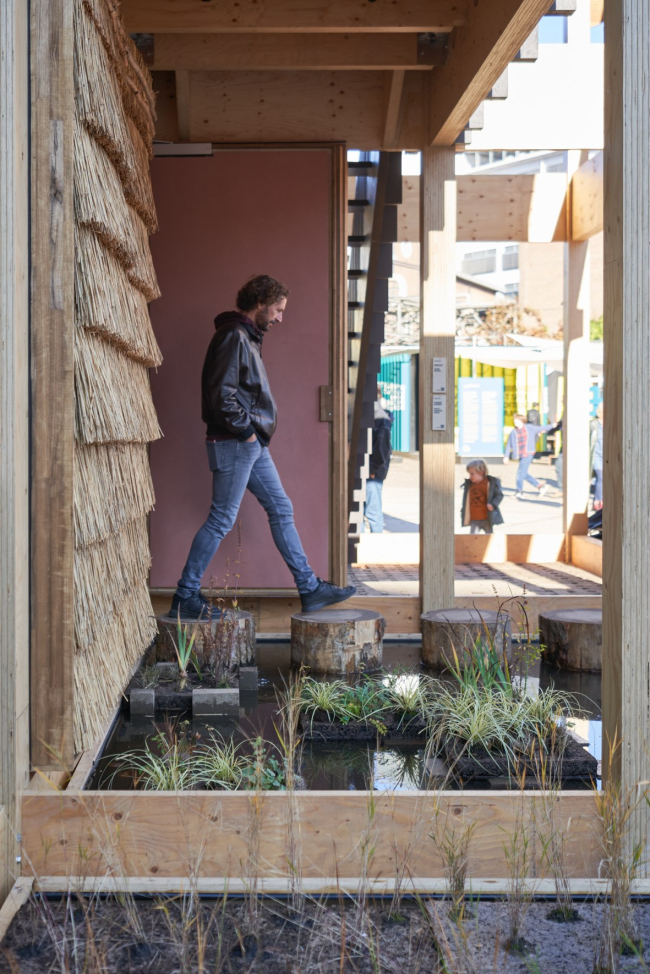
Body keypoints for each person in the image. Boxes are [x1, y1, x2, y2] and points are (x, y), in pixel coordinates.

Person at [170, 274, 356, 619]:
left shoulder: (246, 337)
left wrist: (252, 438)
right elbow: (221, 396)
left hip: (249, 444)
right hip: (237, 442)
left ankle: (309, 588)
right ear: (260, 302)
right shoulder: (233, 336)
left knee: (281, 509)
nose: (280, 318)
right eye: (278, 310)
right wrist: (247, 433)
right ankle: (185, 595)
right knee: (221, 519)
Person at [503, 414, 557, 499]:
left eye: (517, 421)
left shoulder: (529, 428)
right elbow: (509, 445)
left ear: (522, 421)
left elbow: (541, 428)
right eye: (514, 421)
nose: (515, 422)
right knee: (523, 473)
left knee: (520, 473)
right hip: (520, 454)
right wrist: (506, 456)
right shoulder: (513, 432)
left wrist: (552, 425)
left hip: (528, 453)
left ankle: (519, 492)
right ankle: (540, 486)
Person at [363, 386, 393, 533]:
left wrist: (372, 468)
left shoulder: (378, 416)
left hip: (371, 472)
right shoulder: (378, 415)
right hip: (370, 470)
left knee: (371, 511)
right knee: (367, 510)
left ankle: (375, 541)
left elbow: (382, 446)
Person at [460, 459, 504, 534]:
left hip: (486, 518)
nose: (470, 477)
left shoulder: (490, 483)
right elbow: (466, 501)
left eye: (472, 474)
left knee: (489, 536)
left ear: (481, 472)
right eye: (469, 474)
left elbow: (499, 495)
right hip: (474, 519)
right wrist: (463, 512)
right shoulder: (469, 485)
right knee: (473, 537)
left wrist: (493, 504)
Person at [590, 402, 604, 512]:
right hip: (596, 456)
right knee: (600, 477)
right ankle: (598, 501)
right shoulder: (594, 424)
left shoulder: (612, 423)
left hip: (607, 456)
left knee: (599, 479)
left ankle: (596, 499)